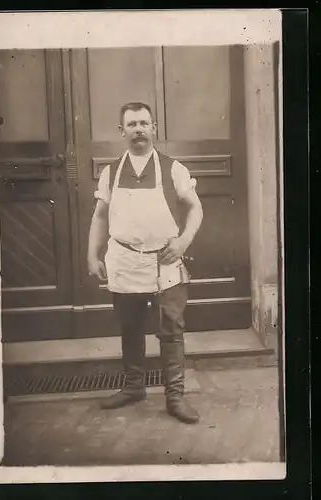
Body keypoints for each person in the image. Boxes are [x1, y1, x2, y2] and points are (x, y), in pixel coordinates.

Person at [87, 102, 203, 424]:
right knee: (130, 326)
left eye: (144, 123)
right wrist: (91, 254)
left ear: (154, 128)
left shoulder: (172, 168)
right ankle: (134, 387)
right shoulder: (111, 171)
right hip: (124, 260)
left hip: (164, 262)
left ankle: (175, 397)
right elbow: (99, 216)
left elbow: (196, 208)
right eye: (132, 124)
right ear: (121, 130)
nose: (139, 129)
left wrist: (182, 243)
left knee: (171, 329)